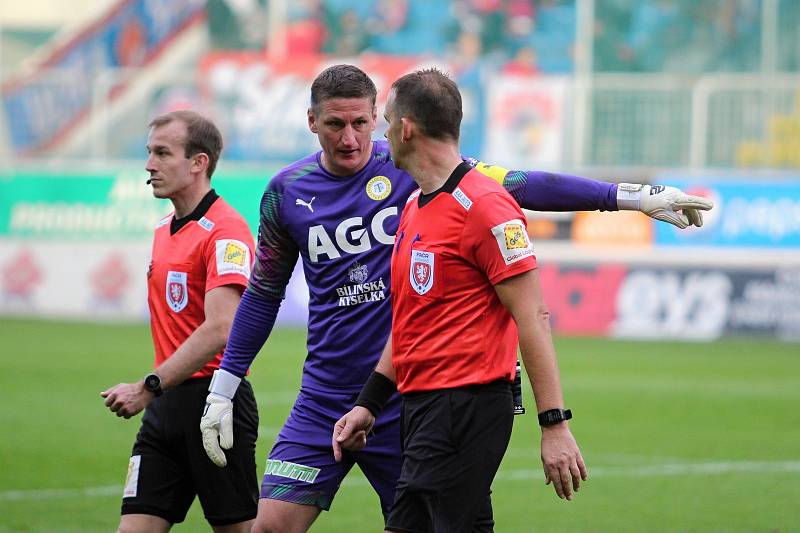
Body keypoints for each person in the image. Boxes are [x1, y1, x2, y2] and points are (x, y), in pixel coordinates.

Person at [199, 64, 712, 532]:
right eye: (335, 125)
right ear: (311, 121)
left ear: (386, 120)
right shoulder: (285, 193)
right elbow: (264, 293)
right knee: (269, 528)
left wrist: (633, 197)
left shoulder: (419, 171)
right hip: (326, 396)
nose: (351, 138)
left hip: (413, 399)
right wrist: (224, 385)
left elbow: (525, 185)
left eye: (362, 122)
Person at [333, 67, 586, 532]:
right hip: (419, 405)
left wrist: (554, 424)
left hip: (464, 406)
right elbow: (412, 322)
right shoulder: (414, 206)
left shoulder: (485, 206)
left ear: (406, 128)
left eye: (386, 121)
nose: (383, 134)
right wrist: (370, 402)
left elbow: (532, 314)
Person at [101, 110, 258, 533]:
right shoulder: (162, 228)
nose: (149, 165)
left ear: (198, 162)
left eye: (162, 153)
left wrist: (147, 386)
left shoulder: (227, 232)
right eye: (149, 152)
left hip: (215, 404)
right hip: (165, 408)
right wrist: (157, 392)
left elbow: (221, 327)